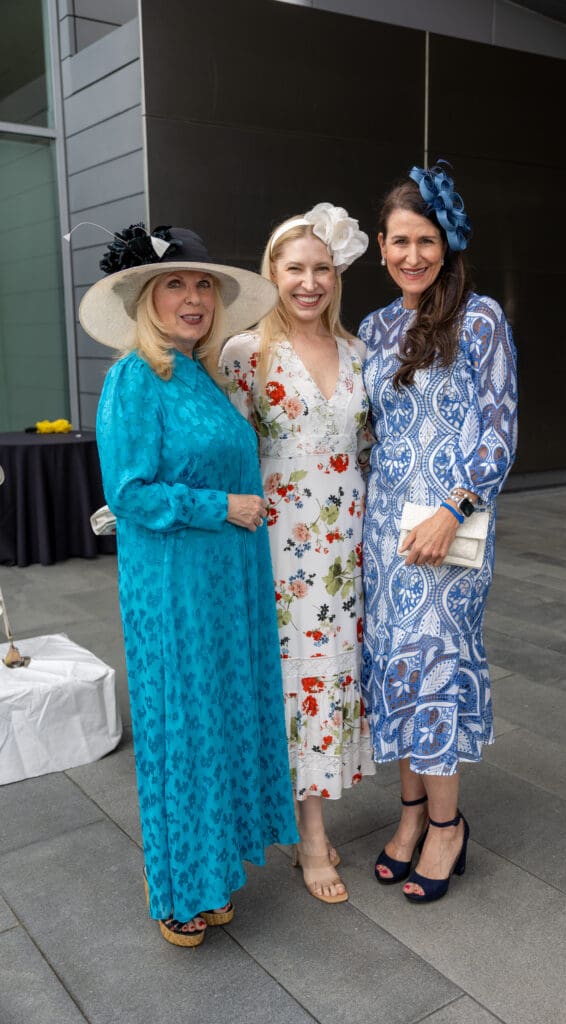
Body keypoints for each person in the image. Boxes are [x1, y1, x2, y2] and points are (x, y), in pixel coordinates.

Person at [80, 223, 298, 946]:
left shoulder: (197, 374)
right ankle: (178, 888)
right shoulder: (135, 377)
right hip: (173, 586)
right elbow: (132, 494)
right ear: (145, 298)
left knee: (216, 725)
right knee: (182, 729)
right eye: (175, 283)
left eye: (203, 284)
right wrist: (223, 507)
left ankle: (208, 872)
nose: (193, 296)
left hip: (224, 581)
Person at [358, 165, 518, 903]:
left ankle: (448, 830)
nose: (411, 255)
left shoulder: (478, 318)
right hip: (383, 530)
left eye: (425, 241)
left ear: (445, 244)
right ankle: (412, 814)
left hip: (448, 530)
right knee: (395, 667)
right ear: (382, 246)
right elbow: (367, 433)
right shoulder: (375, 327)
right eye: (399, 241)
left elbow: (498, 432)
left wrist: (452, 509)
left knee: (434, 669)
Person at [220, 204, 374, 903]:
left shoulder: (360, 354)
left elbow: (371, 452)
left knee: (331, 675)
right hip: (278, 546)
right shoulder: (245, 352)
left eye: (321, 268)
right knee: (292, 678)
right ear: (272, 273)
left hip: (347, 544)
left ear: (335, 275)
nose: (309, 282)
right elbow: (223, 448)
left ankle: (306, 814)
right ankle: (309, 837)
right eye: (295, 268)